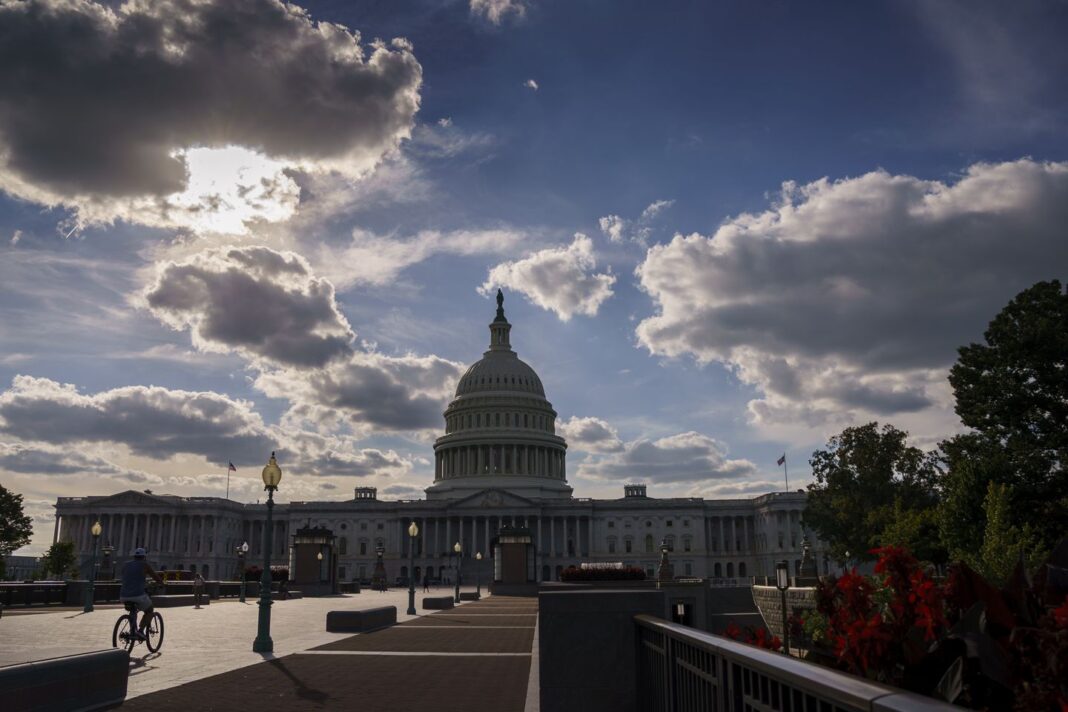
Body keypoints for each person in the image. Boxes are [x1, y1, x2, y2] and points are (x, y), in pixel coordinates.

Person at [119, 548, 163, 640]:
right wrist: (161, 583)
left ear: (134, 556)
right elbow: (155, 576)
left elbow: (125, 576)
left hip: (123, 595)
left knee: (133, 610)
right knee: (149, 610)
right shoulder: (144, 565)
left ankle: (132, 628)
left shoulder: (126, 565)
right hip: (137, 595)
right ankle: (140, 631)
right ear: (144, 557)